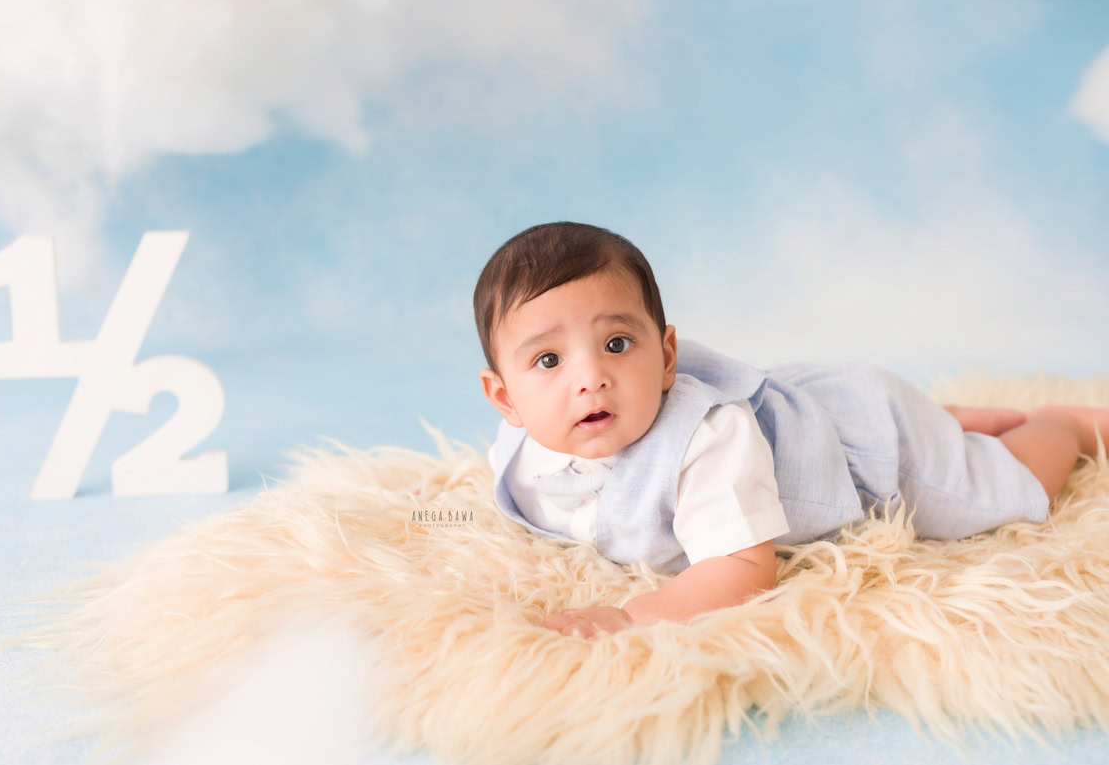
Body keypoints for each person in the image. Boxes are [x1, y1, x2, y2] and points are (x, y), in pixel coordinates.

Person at [473, 221, 1108, 639]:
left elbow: (741, 567)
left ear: (666, 356)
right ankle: (955, 420)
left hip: (871, 454)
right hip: (809, 407)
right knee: (938, 431)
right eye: (548, 361)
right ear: (506, 398)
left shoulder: (706, 436)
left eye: (617, 342)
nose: (591, 378)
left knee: (1000, 492)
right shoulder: (522, 451)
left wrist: (628, 616)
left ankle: (1057, 428)